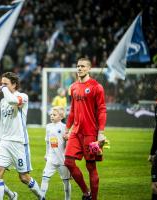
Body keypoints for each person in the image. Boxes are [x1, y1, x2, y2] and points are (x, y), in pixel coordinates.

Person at [0, 72, 44, 200]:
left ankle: (41, 197)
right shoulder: (3, 102)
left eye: (6, 84)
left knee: (24, 177)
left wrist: (3, 89)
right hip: (5, 142)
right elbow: (2, 125)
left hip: (19, 143)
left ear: (14, 84)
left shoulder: (23, 97)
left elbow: (12, 100)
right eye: (1, 83)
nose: (2, 86)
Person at [63, 58, 107, 200]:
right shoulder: (74, 87)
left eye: (82, 66)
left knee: (91, 167)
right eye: (78, 66)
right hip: (76, 131)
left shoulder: (96, 87)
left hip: (90, 133)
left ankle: (93, 198)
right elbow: (73, 110)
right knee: (68, 162)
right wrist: (66, 129)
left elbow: (102, 110)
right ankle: (86, 192)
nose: (79, 68)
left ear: (89, 68)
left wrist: (100, 133)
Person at [41, 106, 71, 199]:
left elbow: (68, 142)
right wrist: (46, 154)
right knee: (45, 177)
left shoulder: (64, 127)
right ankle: (41, 197)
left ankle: (67, 198)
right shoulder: (48, 127)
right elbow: (47, 141)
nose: (52, 116)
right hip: (51, 158)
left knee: (66, 181)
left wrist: (69, 157)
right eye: (51, 114)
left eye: (54, 115)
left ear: (61, 116)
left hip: (62, 159)